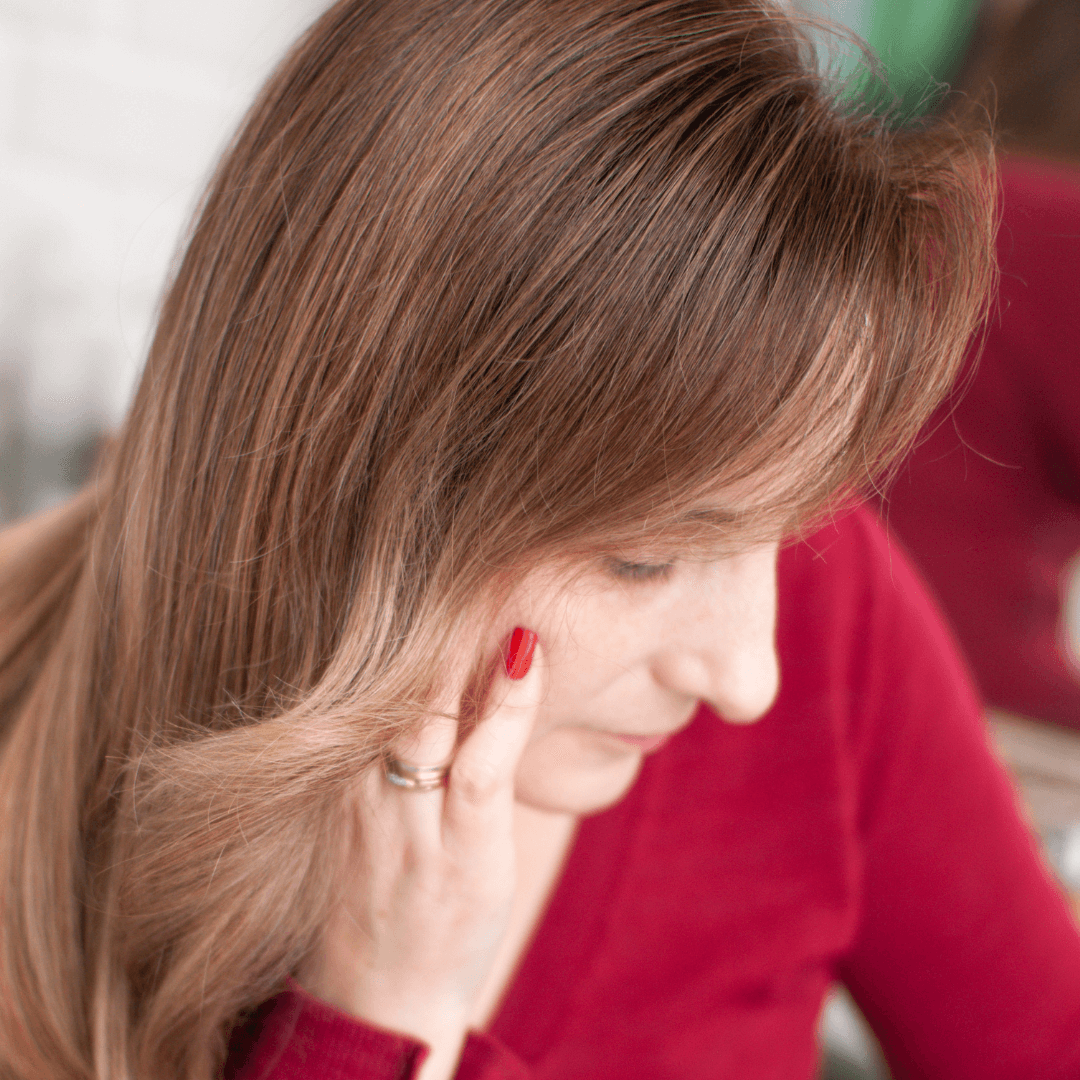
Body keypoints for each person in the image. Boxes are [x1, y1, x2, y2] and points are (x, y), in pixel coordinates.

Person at [1, 3, 1078, 1080]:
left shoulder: (831, 621)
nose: (747, 679)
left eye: (788, 528)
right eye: (643, 559)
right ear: (351, 476)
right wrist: (377, 1021)